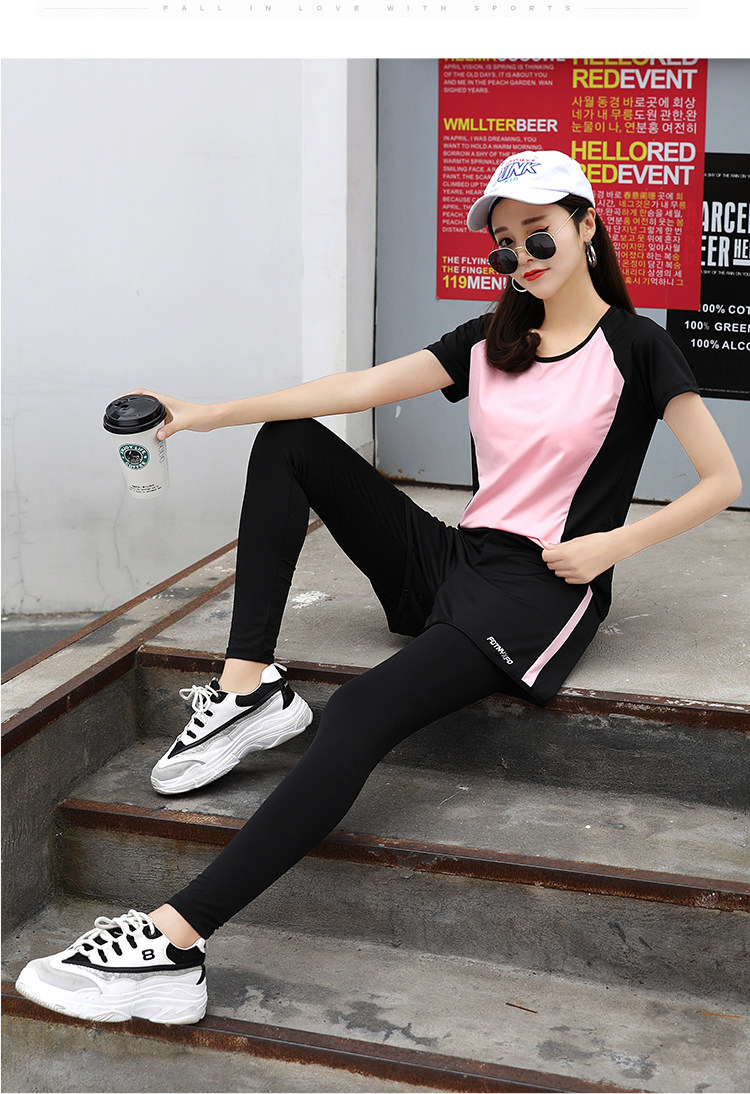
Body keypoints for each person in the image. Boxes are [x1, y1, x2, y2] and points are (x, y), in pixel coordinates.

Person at [16, 149, 741, 1025]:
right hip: (456, 558)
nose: (521, 256)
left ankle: (175, 944)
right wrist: (205, 414)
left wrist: (613, 546)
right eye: (505, 244)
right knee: (290, 438)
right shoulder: (493, 340)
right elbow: (355, 387)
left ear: (587, 225)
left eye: (538, 233)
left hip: (540, 588)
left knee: (358, 712)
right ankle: (247, 689)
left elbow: (720, 481)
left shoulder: (638, 346)